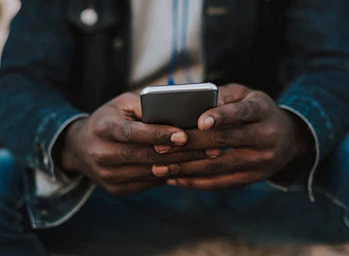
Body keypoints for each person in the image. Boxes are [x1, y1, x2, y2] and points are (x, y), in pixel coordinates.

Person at [0, 0, 349, 255]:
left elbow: (332, 64)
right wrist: (73, 142)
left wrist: (294, 129)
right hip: (109, 187)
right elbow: (17, 83)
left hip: (267, 173)